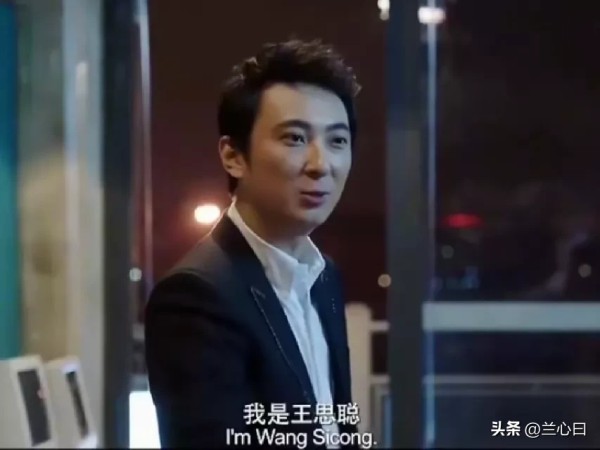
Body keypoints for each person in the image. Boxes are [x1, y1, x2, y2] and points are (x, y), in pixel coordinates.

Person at [145, 39, 361, 448]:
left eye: (337, 141)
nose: (321, 165)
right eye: (295, 138)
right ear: (233, 156)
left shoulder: (323, 277)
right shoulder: (195, 296)